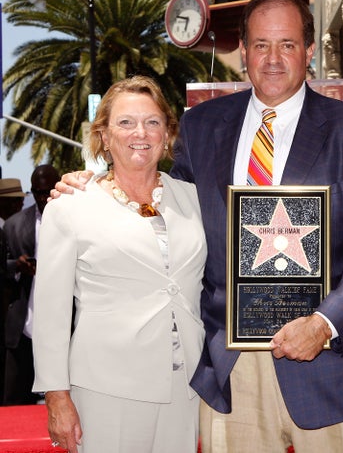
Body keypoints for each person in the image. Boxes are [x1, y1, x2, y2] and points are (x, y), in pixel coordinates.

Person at [57, 0, 343, 452]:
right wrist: (97, 184)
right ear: (243, 51)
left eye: (287, 44)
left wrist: (322, 324)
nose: (274, 59)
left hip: (331, 369)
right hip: (231, 374)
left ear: (309, 50)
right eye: (261, 45)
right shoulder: (201, 127)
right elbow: (158, 203)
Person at [32, 76, 207, 453]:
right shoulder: (70, 206)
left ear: (167, 134)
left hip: (186, 388)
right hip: (105, 390)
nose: (140, 133)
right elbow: (51, 314)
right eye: (125, 122)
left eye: (152, 122)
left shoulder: (195, 199)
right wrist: (56, 397)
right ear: (104, 136)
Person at [3, 165, 59, 405]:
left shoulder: (80, 220)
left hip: (66, 328)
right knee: (15, 402)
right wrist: (18, 266)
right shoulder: (14, 225)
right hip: (23, 326)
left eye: (48, 191)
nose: (43, 198)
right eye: (37, 192)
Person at [0, 177, 26, 404]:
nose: (17, 206)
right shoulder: (6, 229)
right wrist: (15, 266)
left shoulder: (11, 227)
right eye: (13, 201)